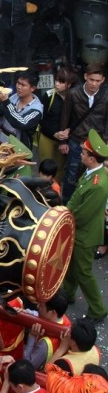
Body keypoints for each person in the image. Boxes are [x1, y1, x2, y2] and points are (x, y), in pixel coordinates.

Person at [60, 129, 108, 322]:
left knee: (83, 272)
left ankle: (97, 309)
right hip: (79, 231)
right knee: (72, 265)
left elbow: (84, 214)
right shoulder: (91, 174)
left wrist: (64, 220)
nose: (80, 155)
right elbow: (76, 198)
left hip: (85, 234)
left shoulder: (98, 184)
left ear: (91, 159)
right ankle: (68, 294)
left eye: (83, 153)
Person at [57, 64, 108, 202]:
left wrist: (105, 144)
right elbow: (65, 116)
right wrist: (62, 141)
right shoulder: (74, 93)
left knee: (94, 176)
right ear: (85, 77)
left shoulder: (105, 95)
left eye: (97, 81)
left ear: (102, 80)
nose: (94, 83)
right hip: (76, 140)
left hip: (97, 142)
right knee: (71, 175)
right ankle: (67, 206)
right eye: (91, 79)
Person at [37, 67, 78, 182]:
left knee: (59, 167)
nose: (57, 84)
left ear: (69, 85)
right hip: (47, 137)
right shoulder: (49, 96)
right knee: (45, 165)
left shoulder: (75, 98)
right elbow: (41, 119)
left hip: (64, 140)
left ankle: (56, 188)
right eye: (56, 80)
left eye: (61, 82)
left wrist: (68, 131)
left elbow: (76, 119)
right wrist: (54, 133)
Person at [0, 72, 43, 149]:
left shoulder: (36, 109)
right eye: (18, 83)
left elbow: (21, 123)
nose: (19, 87)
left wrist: (6, 102)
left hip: (17, 152)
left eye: (23, 85)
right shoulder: (13, 97)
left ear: (32, 88)